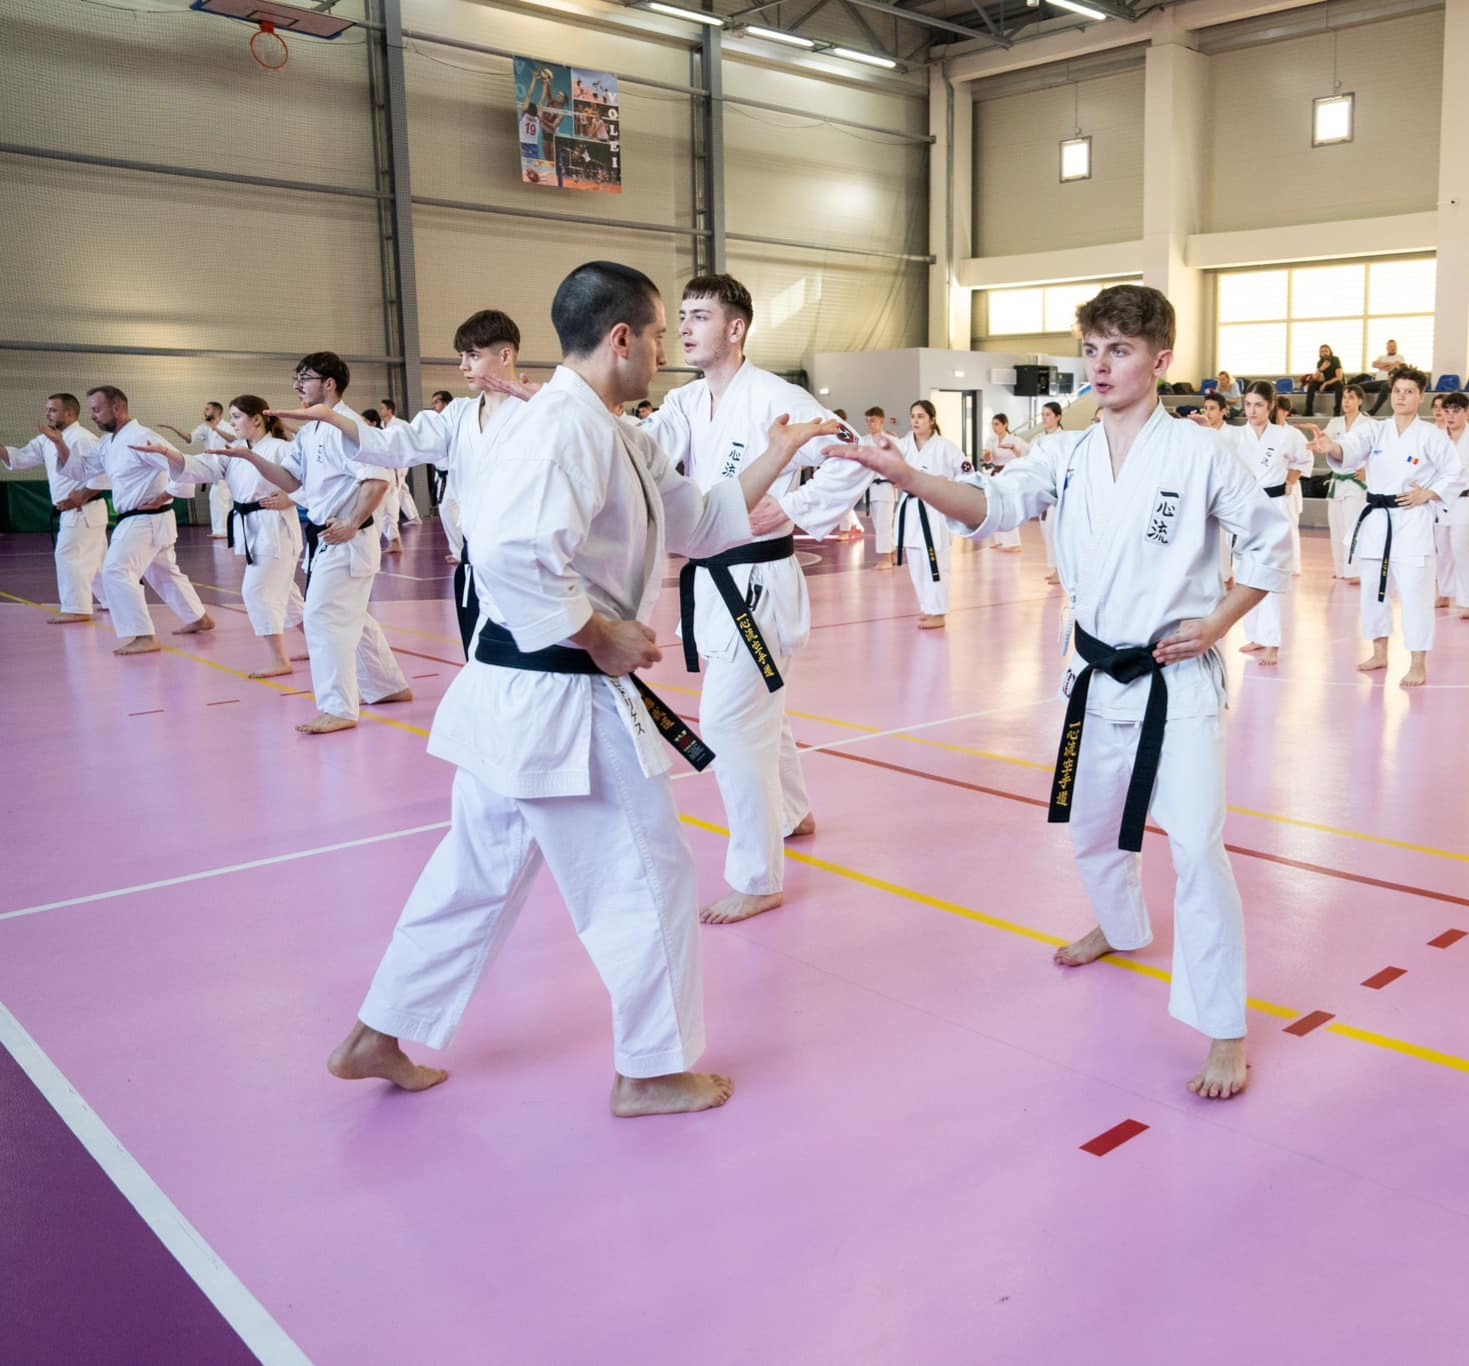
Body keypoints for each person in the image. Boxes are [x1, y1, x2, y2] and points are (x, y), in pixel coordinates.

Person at [326, 261, 838, 1115]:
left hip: (516, 705)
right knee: (648, 877)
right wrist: (601, 635)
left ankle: (378, 1031)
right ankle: (651, 1070)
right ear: (621, 338)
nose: (667, 350)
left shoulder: (613, 431)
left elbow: (699, 520)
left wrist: (777, 456)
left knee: (476, 874)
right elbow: (510, 554)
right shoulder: (564, 429)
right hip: (560, 700)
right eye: (661, 335)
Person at [838, 284, 1291, 1100]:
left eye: (1118, 349)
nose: (1100, 365)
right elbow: (990, 506)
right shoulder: (1065, 453)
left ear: (1160, 359)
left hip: (1174, 681)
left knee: (1194, 847)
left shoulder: (1199, 454)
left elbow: (1268, 546)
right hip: (1090, 676)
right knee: (1089, 828)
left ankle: (1222, 1024)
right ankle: (1120, 926)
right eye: (1091, 349)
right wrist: (908, 477)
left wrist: (1218, 623)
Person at [641, 274, 855, 927]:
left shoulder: (775, 396)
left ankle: (758, 878)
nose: (684, 327)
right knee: (762, 708)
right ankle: (792, 812)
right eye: (681, 315)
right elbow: (640, 449)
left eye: (699, 316)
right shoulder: (685, 401)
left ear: (735, 328)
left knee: (731, 724)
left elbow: (855, 453)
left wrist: (792, 507)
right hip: (712, 580)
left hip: (756, 581)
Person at [224, 352, 414, 732]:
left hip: (347, 537)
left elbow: (377, 480)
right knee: (350, 616)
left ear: (329, 384)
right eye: (296, 377)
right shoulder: (311, 430)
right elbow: (292, 480)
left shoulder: (348, 427)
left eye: (305, 377)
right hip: (326, 536)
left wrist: (352, 522)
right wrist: (251, 458)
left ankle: (338, 708)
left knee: (323, 618)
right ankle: (388, 686)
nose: (298, 385)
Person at [353, 310, 524, 631]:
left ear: (505, 355)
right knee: (477, 654)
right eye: (462, 356)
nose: (463, 366)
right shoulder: (459, 413)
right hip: (475, 563)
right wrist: (337, 422)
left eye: (473, 355)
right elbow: (402, 443)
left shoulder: (540, 410)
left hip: (525, 566)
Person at [1305, 365, 1465, 686]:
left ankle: (1417, 663)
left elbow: (1455, 471)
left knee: (1415, 593)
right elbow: (1349, 448)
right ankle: (1379, 652)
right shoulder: (1375, 430)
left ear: (1421, 396)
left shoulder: (1431, 436)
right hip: (1377, 519)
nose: (1401, 397)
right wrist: (1332, 447)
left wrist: (1429, 493)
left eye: (1409, 391)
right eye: (1397, 391)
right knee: (1373, 592)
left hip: (1411, 519)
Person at [133, 395, 307, 678]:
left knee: (256, 591)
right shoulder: (235, 451)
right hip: (251, 528)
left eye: (237, 416)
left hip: (275, 528)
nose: (232, 422)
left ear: (257, 419)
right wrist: (168, 454)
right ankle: (318, 643)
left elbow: (310, 480)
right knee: (287, 595)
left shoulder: (281, 448)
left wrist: (291, 498)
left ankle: (279, 660)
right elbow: (202, 467)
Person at [49, 386, 214, 654]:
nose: (92, 415)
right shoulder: (108, 443)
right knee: (163, 573)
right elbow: (81, 470)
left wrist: (165, 495)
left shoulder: (142, 437)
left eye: (97, 409)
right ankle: (198, 617)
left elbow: (181, 466)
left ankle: (143, 635)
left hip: (145, 519)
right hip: (144, 520)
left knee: (116, 571)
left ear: (117, 408)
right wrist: (59, 443)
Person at [2, 392, 110, 623]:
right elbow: (20, 457)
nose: (47, 414)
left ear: (69, 413)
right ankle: (113, 601)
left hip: (84, 509)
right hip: (77, 512)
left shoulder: (83, 438)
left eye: (53, 410)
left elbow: (104, 474)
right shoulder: (47, 439)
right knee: (96, 563)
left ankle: (77, 609)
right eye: (47, 409)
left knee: (69, 556)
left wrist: (82, 496)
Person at [1211, 381, 1294, 666]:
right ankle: (1256, 635)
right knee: (1245, 574)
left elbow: (1302, 461)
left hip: (1273, 508)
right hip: (1244, 510)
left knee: (1267, 575)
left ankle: (1273, 643)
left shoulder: (1286, 436)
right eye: (1247, 405)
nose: (1252, 410)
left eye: (1258, 405)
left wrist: (1288, 483)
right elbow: (1214, 448)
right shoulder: (1234, 435)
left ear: (1270, 406)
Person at [894, 400, 968, 628]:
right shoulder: (904, 445)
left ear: (932, 420)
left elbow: (967, 472)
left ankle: (939, 612)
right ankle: (928, 606)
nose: (915, 421)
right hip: (910, 508)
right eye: (913, 416)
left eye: (921, 416)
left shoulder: (945, 447)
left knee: (936, 562)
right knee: (916, 562)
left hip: (935, 510)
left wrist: (947, 485)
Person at [160, 402, 236, 538]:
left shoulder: (228, 426)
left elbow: (234, 439)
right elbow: (190, 438)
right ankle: (224, 530)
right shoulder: (205, 428)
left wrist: (215, 428)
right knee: (219, 496)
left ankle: (224, 531)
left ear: (217, 411)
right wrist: (173, 427)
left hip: (231, 465)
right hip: (215, 468)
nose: (204, 411)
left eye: (207, 409)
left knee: (222, 497)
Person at [1323, 385, 1370, 581]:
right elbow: (1324, 443)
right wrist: (1317, 442)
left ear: (1360, 400)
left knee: (1353, 526)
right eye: (1344, 398)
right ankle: (1341, 569)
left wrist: (1368, 470)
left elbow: (1378, 451)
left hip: (1356, 482)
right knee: (1336, 527)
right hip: (1337, 481)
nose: (1346, 401)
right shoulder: (1334, 423)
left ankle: (1355, 570)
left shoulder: (1369, 424)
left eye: (1351, 397)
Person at [1434, 391, 1468, 611]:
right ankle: (1445, 591)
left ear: (1466, 412)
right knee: (1442, 548)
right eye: (1447, 411)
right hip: (1440, 500)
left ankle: (1467, 600)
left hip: (1465, 499)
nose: (1450, 416)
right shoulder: (1437, 438)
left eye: (1456, 411)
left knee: (1461, 549)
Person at [1271, 395, 1313, 575]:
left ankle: (1292, 565)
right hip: (1268, 487)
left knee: (1288, 526)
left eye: (1278, 409)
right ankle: (1272, 562)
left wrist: (1290, 481)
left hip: (1288, 486)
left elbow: (1305, 460)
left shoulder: (1294, 434)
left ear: (1286, 412)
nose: (1274, 412)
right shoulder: (1265, 431)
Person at [1033, 401, 1072, 586]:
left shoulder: (1066, 438)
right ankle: (1054, 567)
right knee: (1046, 530)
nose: (1044, 418)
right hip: (1042, 487)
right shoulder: (1038, 439)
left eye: (1048, 414)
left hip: (1060, 490)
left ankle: (1061, 570)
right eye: (1043, 415)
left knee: (1055, 529)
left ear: (1058, 417)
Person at [983, 414, 1026, 551]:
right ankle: (999, 540)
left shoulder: (1015, 440)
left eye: (997, 424)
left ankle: (1014, 543)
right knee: (996, 508)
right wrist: (987, 456)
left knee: (1009, 508)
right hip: (996, 474)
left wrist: (1012, 448)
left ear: (1005, 424)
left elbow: (1022, 455)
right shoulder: (991, 439)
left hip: (1010, 475)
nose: (994, 427)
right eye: (993, 424)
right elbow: (988, 459)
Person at [864, 406, 898, 569]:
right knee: (879, 524)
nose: (869, 424)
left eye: (873, 421)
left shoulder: (891, 440)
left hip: (885, 486)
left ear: (882, 421)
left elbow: (900, 460)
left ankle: (886, 558)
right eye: (867, 421)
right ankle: (892, 554)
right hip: (871, 488)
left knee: (884, 523)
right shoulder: (864, 441)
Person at [380, 400, 421, 528]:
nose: (381, 410)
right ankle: (414, 517)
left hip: (401, 461)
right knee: (402, 489)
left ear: (390, 410)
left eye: (383, 408)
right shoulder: (382, 425)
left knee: (396, 489)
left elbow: (411, 437)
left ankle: (394, 520)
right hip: (390, 461)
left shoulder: (401, 424)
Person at [1365, 340, 1409, 415]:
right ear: (1387, 348)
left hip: (1390, 383)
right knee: (1359, 386)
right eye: (1390, 346)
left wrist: (1382, 365)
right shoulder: (1381, 357)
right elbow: (1374, 364)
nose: (1392, 348)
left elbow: (1396, 367)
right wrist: (1390, 364)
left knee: (1385, 385)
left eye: (1394, 346)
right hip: (1378, 382)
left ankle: (1372, 411)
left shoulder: (1400, 357)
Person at [1300, 344, 1344, 418]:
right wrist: (1321, 369)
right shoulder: (1320, 362)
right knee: (1312, 384)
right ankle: (1309, 410)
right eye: (1322, 352)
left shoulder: (1335, 359)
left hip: (1334, 383)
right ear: (1320, 353)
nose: (1324, 353)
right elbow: (1315, 377)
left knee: (1339, 384)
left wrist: (1325, 383)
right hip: (1325, 384)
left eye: (1326, 351)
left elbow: (1339, 377)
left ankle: (1337, 411)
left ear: (1330, 352)